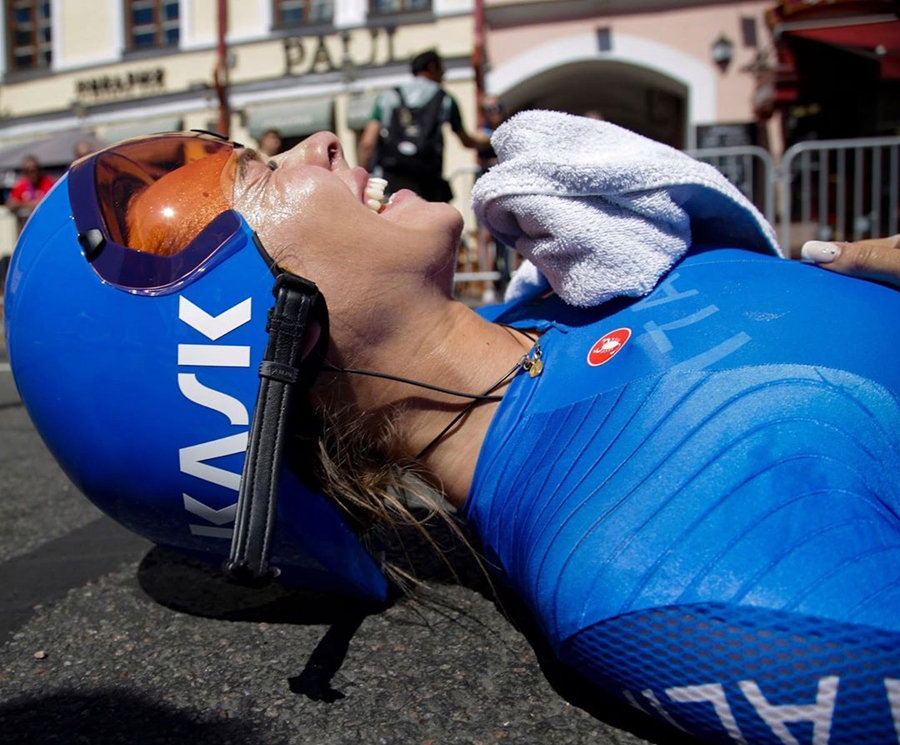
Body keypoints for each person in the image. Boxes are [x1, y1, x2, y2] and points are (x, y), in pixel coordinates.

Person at [6, 125, 900, 745]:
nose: (319, 145)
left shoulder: (570, 284)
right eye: (264, 178)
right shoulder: (642, 563)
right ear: (244, 346)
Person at [357, 49, 488, 203]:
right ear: (432, 67)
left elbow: (367, 143)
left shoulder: (388, 97)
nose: (444, 74)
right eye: (442, 69)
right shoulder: (445, 99)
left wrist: (364, 178)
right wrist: (488, 141)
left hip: (392, 178)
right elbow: (466, 141)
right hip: (428, 182)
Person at [475, 95, 508, 303]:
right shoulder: (482, 133)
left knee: (511, 234)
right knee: (486, 235)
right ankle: (488, 284)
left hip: (506, 188)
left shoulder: (508, 130)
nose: (494, 111)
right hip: (486, 187)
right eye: (489, 108)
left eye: (497, 107)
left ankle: (510, 281)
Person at [5, 155, 55, 230]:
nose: (32, 174)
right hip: (27, 228)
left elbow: (46, 202)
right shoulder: (21, 184)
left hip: (47, 225)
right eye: (27, 171)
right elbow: (11, 204)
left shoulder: (48, 182)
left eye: (34, 170)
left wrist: (21, 204)